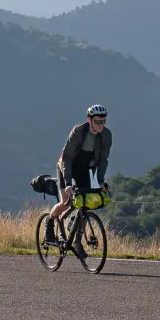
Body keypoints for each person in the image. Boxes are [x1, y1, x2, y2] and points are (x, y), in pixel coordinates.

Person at [46, 104, 111, 244]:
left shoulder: (106, 135)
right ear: (89, 120)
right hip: (66, 167)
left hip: (84, 169)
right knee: (66, 202)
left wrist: (100, 182)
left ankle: (77, 240)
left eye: (103, 121)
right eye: (98, 122)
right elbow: (67, 158)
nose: (101, 125)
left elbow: (103, 160)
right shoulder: (78, 131)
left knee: (85, 204)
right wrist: (68, 183)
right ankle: (49, 221)